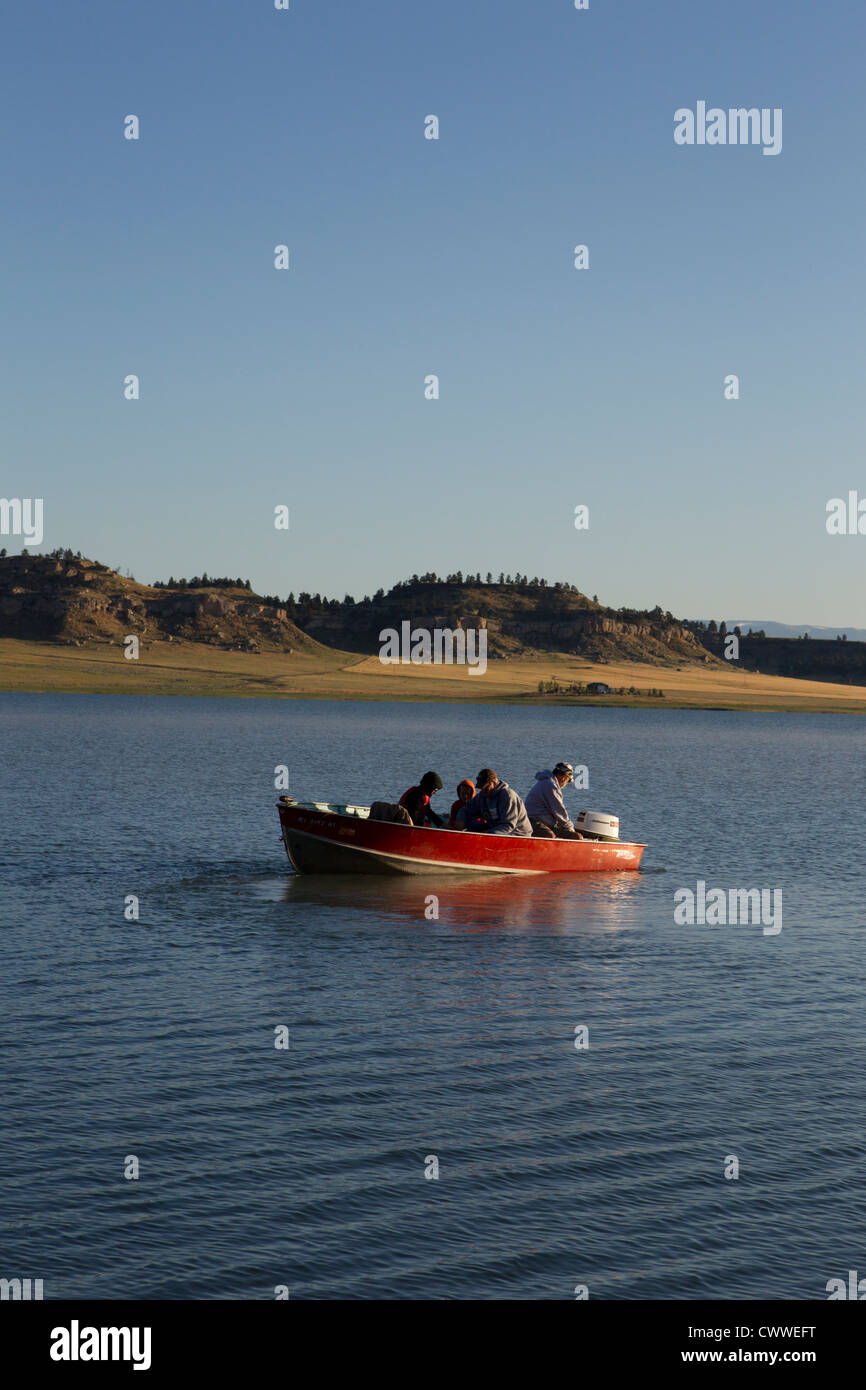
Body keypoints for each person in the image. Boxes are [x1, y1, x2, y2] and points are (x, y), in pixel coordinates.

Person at [457, 768, 532, 837]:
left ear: (494, 784)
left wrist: (485, 835)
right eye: (481, 788)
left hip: (516, 834)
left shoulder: (508, 796)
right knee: (471, 824)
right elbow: (466, 809)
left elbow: (508, 826)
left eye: (486, 788)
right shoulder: (482, 796)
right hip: (494, 829)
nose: (483, 791)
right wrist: (461, 820)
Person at [524, 762, 584, 839]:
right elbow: (559, 812)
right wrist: (571, 829)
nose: (566, 784)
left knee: (575, 836)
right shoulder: (552, 786)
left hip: (543, 822)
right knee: (550, 836)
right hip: (533, 822)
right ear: (565, 777)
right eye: (568, 781)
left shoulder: (545, 782)